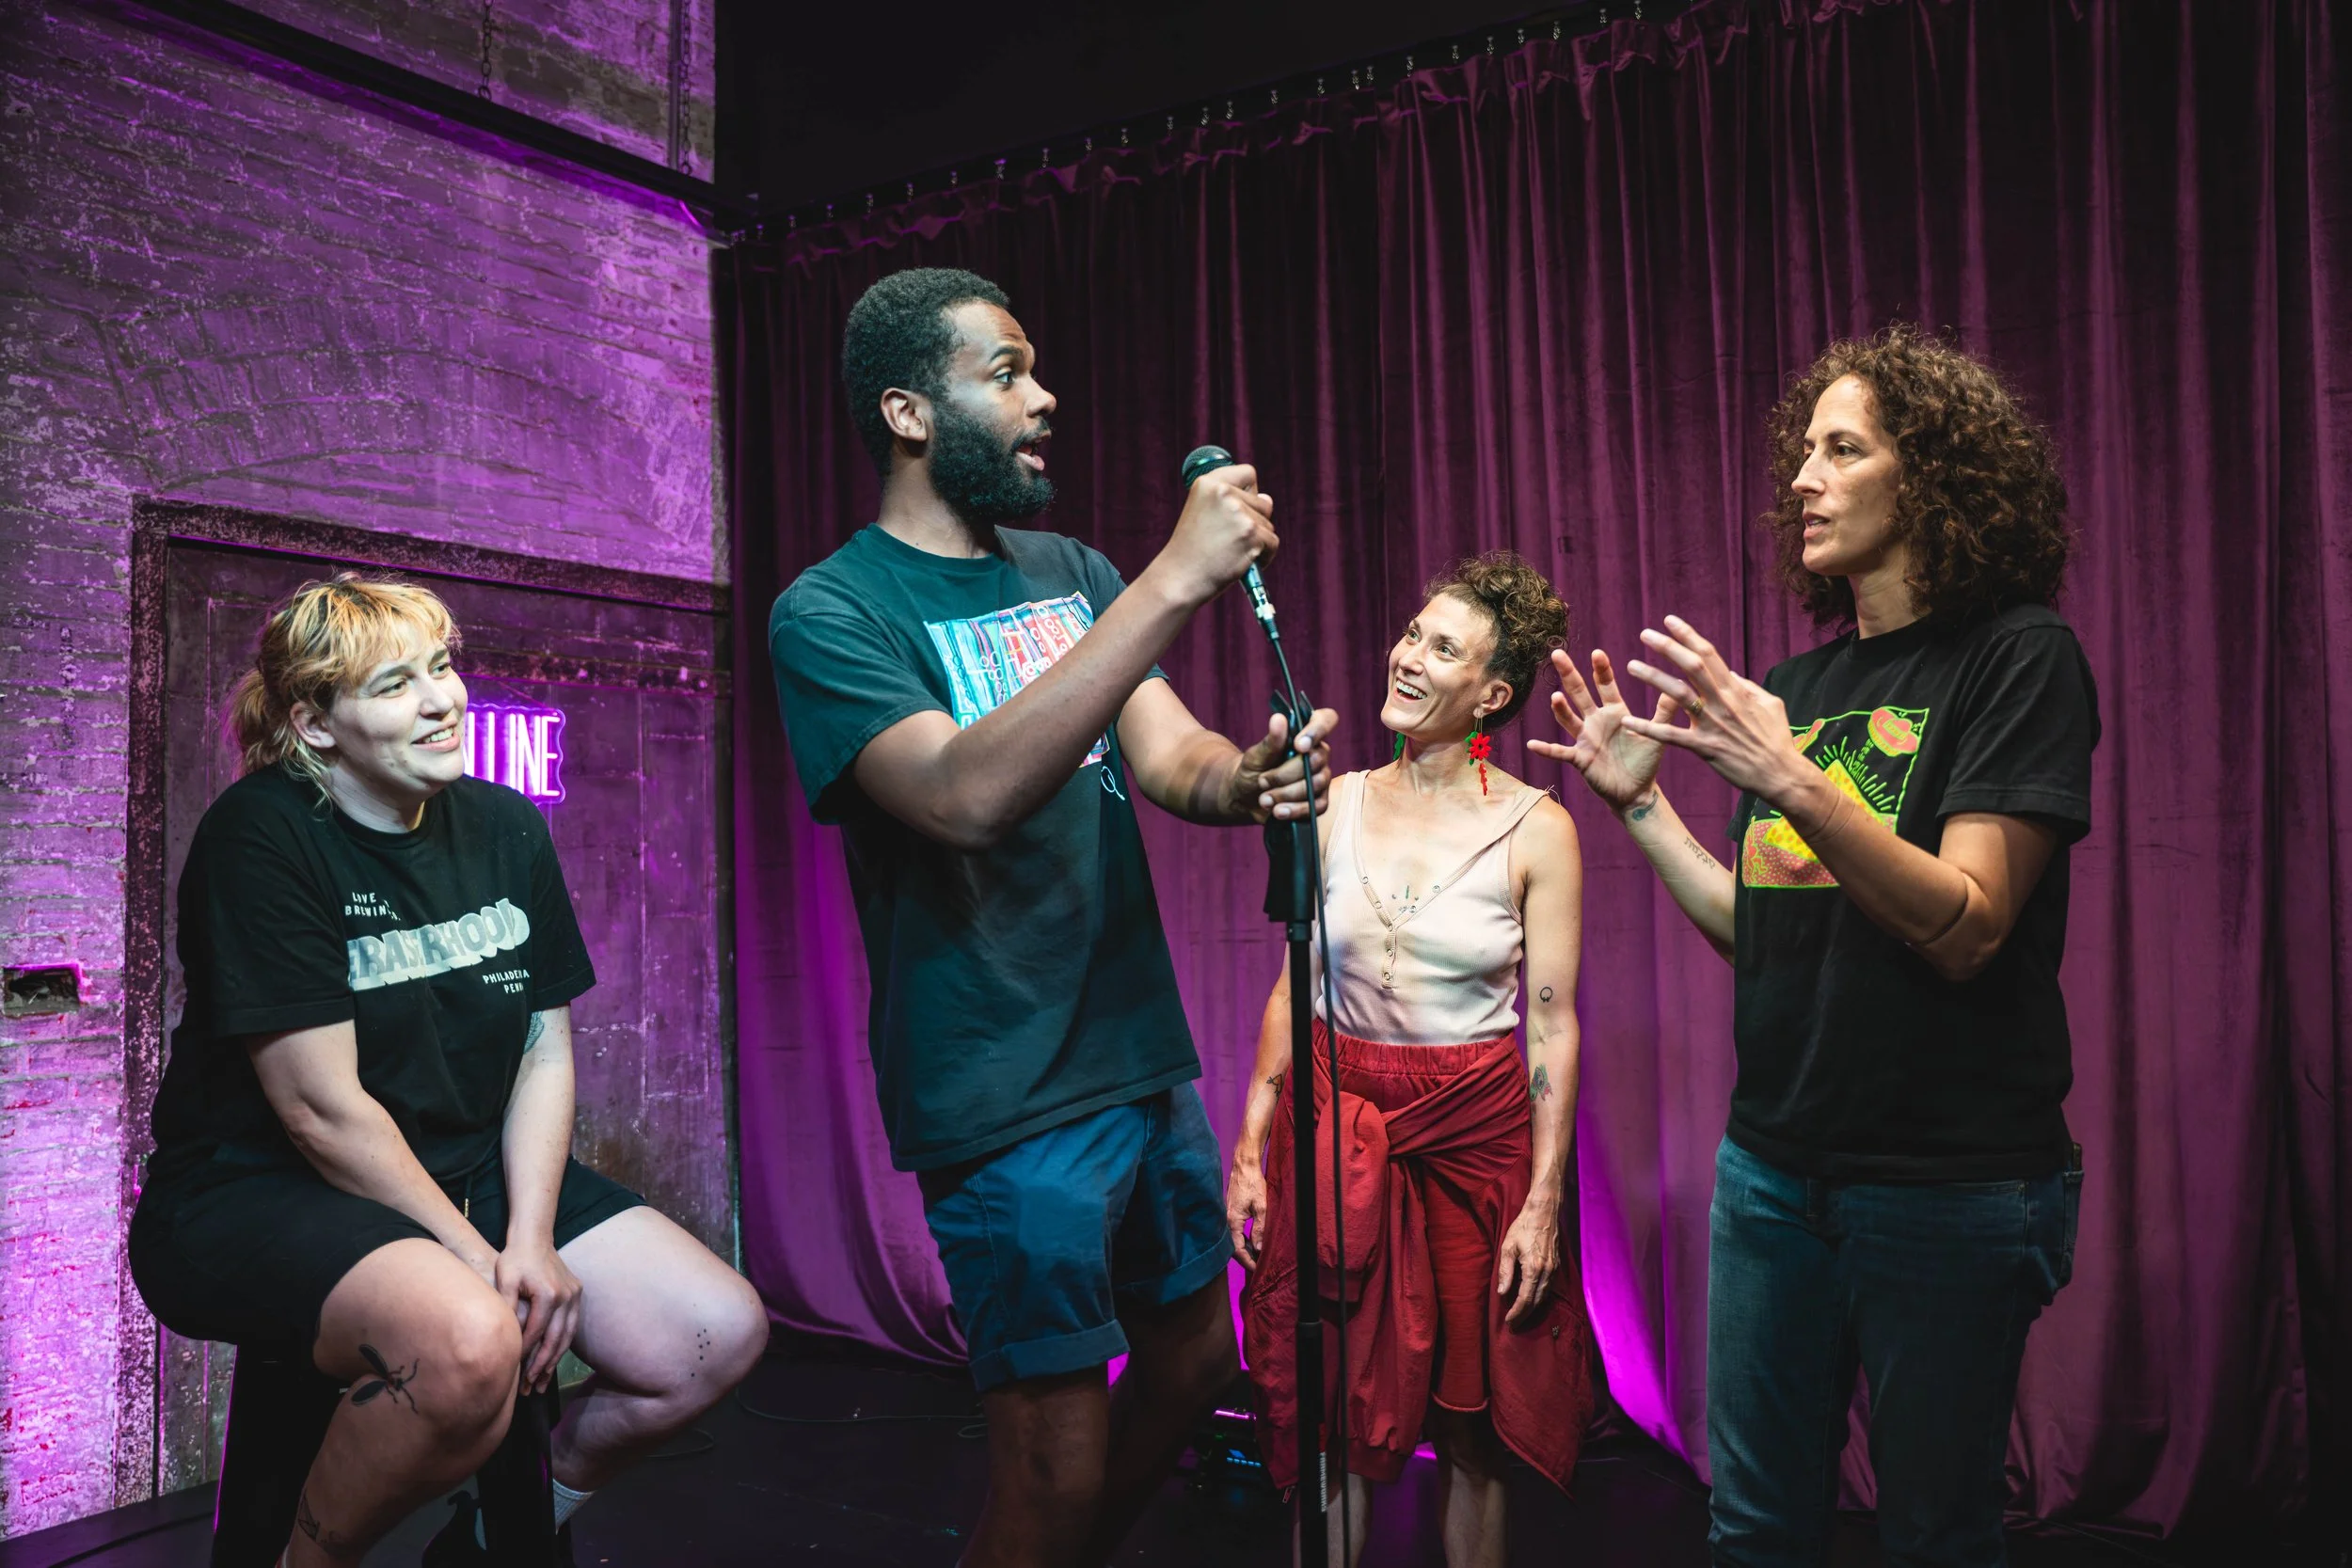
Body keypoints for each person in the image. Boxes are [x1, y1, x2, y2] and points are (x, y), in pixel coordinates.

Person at [767, 267, 1336, 1568]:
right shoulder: (834, 613)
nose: (1046, 398)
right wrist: (1175, 578)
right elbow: (963, 794)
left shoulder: (1069, 572)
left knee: (1196, 1361)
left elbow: (1170, 753)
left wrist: (1245, 779)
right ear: (910, 413)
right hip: (1002, 1086)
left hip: (1137, 1054)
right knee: (1053, 1460)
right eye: (1008, 373)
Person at [1534, 325, 2094, 1567]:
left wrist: (1793, 776)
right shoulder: (1803, 679)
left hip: (1949, 1185)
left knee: (1937, 1530)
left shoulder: (2017, 656)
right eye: (1806, 450)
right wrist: (1640, 806)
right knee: (1754, 1526)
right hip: (1774, 1174)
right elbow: (1766, 930)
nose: (1802, 479)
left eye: (1843, 449)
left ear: (1930, 478)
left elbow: (1967, 923)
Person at [129, 575, 770, 1568]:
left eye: (441, 667)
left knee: (715, 1332)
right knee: (476, 1342)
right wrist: (487, 1269)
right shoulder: (262, 837)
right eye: (395, 684)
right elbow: (320, 1110)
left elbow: (540, 1045)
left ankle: (503, 1529)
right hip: (256, 1189)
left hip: (460, 1168)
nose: (442, 699)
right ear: (317, 721)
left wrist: (529, 1236)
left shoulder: (505, 826)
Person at [1229, 551, 1597, 1568]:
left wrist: (1543, 1201)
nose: (1406, 657)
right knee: (1332, 1415)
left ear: (1490, 691)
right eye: (1409, 633)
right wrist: (1254, 1139)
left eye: (1442, 647)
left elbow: (1553, 1026)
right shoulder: (1332, 797)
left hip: (1473, 1137)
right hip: (1341, 1118)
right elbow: (1292, 982)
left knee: (1472, 1425)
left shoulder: (1537, 827)